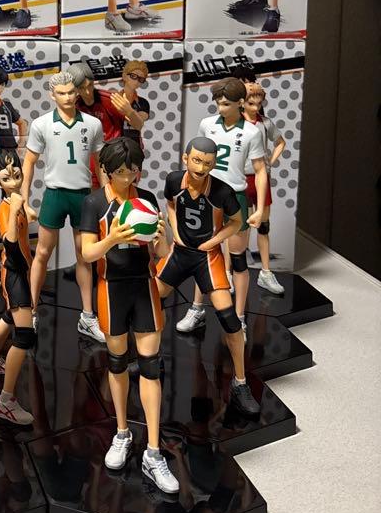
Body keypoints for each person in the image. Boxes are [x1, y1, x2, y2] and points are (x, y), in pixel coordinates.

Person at [78, 137, 178, 491]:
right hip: (111, 289)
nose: (128, 177)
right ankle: (121, 432)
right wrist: (111, 238)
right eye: (121, 171)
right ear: (106, 170)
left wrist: (162, 239)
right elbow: (87, 254)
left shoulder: (146, 199)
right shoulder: (93, 203)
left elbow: (161, 252)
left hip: (143, 287)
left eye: (133, 170)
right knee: (117, 362)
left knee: (151, 366)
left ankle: (153, 451)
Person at [155, 137, 261, 416]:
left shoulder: (222, 191)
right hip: (180, 252)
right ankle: (151, 357)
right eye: (196, 160)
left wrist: (214, 241)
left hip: (207, 257)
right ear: (185, 158)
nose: (201, 168)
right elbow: (169, 204)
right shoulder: (173, 180)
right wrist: (175, 230)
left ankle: (240, 384)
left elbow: (237, 222)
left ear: (214, 164)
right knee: (150, 300)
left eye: (207, 163)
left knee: (229, 319)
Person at [177, 78, 267, 334]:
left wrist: (260, 209)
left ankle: (238, 318)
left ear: (241, 102)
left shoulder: (252, 132)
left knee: (238, 260)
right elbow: (197, 160)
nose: (220, 107)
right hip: (208, 195)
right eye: (218, 102)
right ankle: (197, 309)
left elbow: (260, 171)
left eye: (226, 103)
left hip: (235, 196)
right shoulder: (207, 124)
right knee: (201, 255)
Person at [23, 71, 106, 341]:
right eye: (62, 93)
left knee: (85, 255)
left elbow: (100, 164)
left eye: (71, 92)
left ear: (78, 92)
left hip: (83, 195)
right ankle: (30, 312)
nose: (68, 97)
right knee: (42, 253)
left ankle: (87, 316)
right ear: (52, 95)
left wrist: (107, 197)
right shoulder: (42, 124)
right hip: (55, 194)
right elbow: (29, 163)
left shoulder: (92, 123)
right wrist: (24, 199)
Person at [0, 150, 36, 426]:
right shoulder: (6, 208)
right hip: (13, 273)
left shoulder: (16, 201)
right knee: (24, 336)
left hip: (19, 270)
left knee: (8, 316)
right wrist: (15, 210)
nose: (14, 182)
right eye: (7, 178)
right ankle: (5, 401)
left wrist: (24, 209)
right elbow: (11, 243)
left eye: (17, 176)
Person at [244, 83, 286, 295]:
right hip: (240, 179)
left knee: (263, 226)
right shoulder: (234, 122)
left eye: (259, 104)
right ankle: (228, 271)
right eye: (251, 103)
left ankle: (266, 272)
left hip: (260, 178)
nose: (255, 108)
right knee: (236, 228)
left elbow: (280, 142)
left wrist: (271, 161)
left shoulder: (265, 122)